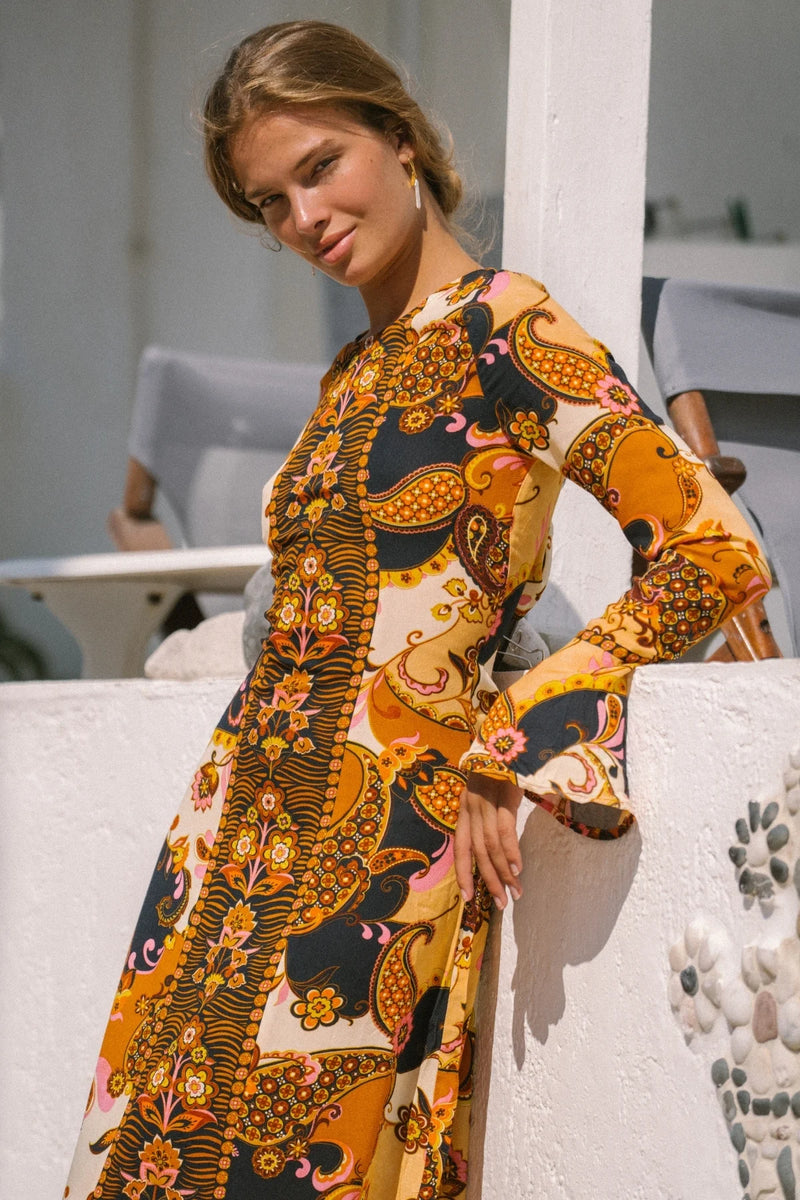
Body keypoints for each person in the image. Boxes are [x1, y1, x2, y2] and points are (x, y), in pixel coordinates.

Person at [65, 19, 771, 1200]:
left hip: (376, 849)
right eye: (269, 203)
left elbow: (710, 549)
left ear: (396, 139)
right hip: (232, 840)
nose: (303, 218)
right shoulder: (352, 373)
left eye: (319, 167)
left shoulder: (509, 329)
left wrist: (521, 732)